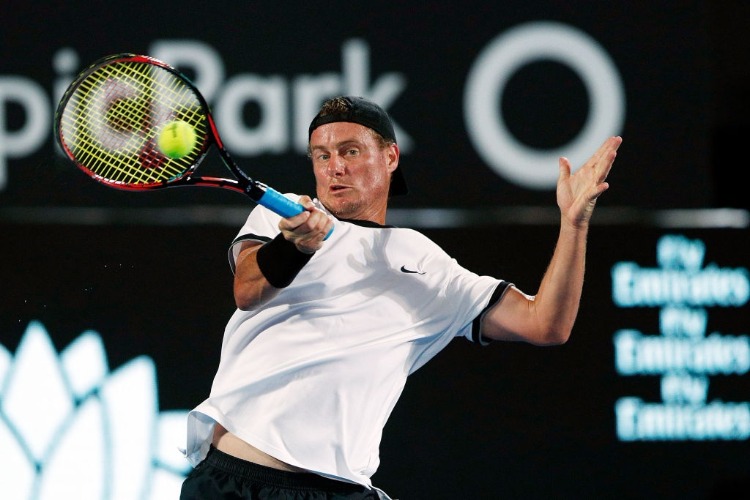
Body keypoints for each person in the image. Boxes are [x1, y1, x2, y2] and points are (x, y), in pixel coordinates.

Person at [180, 95, 623, 499]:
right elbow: (248, 289)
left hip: (341, 490)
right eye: (322, 155)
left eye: (350, 151)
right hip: (238, 482)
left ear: (390, 157)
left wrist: (573, 223)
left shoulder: (426, 263)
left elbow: (546, 324)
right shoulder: (285, 214)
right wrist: (294, 244)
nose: (335, 167)